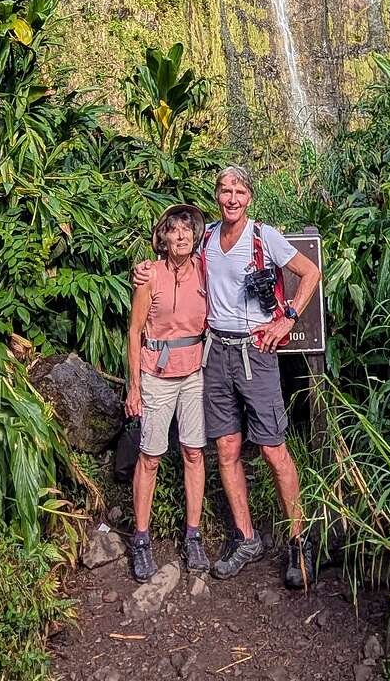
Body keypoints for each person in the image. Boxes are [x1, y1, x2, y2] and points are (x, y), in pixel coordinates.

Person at [135, 165, 321, 589]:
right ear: (217, 196)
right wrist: (144, 271)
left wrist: (287, 318)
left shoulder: (264, 236)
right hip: (216, 351)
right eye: (224, 190)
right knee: (226, 448)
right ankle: (246, 537)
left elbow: (310, 273)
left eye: (239, 190)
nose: (231, 197)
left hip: (257, 350)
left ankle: (299, 540)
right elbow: (174, 262)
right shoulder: (207, 240)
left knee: (274, 448)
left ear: (249, 197)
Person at [126, 203, 210, 582]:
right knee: (151, 457)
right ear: (164, 237)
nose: (181, 236)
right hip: (156, 373)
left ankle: (193, 536)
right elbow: (134, 331)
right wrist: (134, 386)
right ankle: (140, 539)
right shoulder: (149, 276)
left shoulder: (205, 271)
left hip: (194, 373)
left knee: (194, 452)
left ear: (195, 237)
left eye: (187, 231)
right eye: (174, 230)